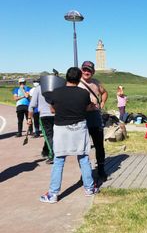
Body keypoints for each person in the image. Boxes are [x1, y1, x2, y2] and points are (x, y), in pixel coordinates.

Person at [39, 67, 98, 203]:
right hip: (79, 128)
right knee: (83, 158)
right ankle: (89, 188)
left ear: (66, 77)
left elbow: (53, 110)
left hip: (61, 129)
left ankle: (53, 193)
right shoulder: (83, 93)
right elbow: (87, 108)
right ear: (79, 79)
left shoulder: (56, 92)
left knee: (59, 160)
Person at [78, 61, 108, 182]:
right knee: (82, 147)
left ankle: (101, 169)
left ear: (93, 72)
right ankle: (85, 173)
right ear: (81, 70)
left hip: (95, 116)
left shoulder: (96, 83)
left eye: (89, 70)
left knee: (99, 145)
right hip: (81, 116)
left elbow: (104, 92)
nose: (86, 72)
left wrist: (102, 102)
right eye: (85, 69)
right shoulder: (76, 82)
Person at [27, 80, 55, 164]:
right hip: (56, 115)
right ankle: (45, 151)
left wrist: (29, 118)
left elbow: (32, 105)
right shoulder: (55, 87)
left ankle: (52, 155)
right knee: (52, 135)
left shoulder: (38, 88)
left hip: (44, 115)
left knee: (48, 135)